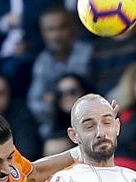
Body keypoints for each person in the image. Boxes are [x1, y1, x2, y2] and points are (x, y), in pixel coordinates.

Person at [27, 6, 92, 134]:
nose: (57, 35)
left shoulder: (89, 53)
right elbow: (34, 102)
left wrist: (56, 98)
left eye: (62, 27)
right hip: (56, 126)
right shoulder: (42, 61)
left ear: (73, 28)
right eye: (51, 29)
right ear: (43, 33)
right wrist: (60, 105)